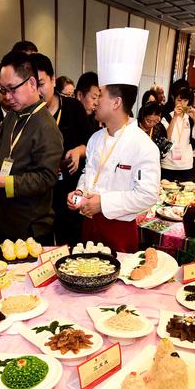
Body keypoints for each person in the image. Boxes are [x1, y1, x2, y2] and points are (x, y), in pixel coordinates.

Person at [68, 27, 160, 254]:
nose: (96, 101)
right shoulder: (95, 138)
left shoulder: (143, 145)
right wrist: (80, 192)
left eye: (100, 95)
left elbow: (147, 195)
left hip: (119, 230)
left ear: (116, 102)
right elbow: (87, 173)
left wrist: (104, 204)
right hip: (88, 225)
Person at [0, 51, 63, 246]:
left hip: (30, 227)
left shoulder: (46, 126)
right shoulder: (13, 115)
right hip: (2, 219)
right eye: (3, 90)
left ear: (32, 83)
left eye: (12, 89)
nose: (8, 97)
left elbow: (47, 178)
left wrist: (6, 182)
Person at [31, 53, 92, 247]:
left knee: (72, 245)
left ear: (53, 80)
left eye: (41, 84)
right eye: (32, 85)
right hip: (40, 196)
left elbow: (92, 145)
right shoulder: (29, 114)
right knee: (42, 249)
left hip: (69, 190)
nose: (37, 91)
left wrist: (78, 151)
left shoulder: (73, 108)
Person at [160, 87, 195, 182]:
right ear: (174, 100)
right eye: (179, 100)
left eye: (185, 100)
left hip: (186, 164)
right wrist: (175, 117)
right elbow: (167, 137)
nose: (182, 104)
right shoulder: (167, 117)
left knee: (184, 195)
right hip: (168, 163)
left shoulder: (191, 119)